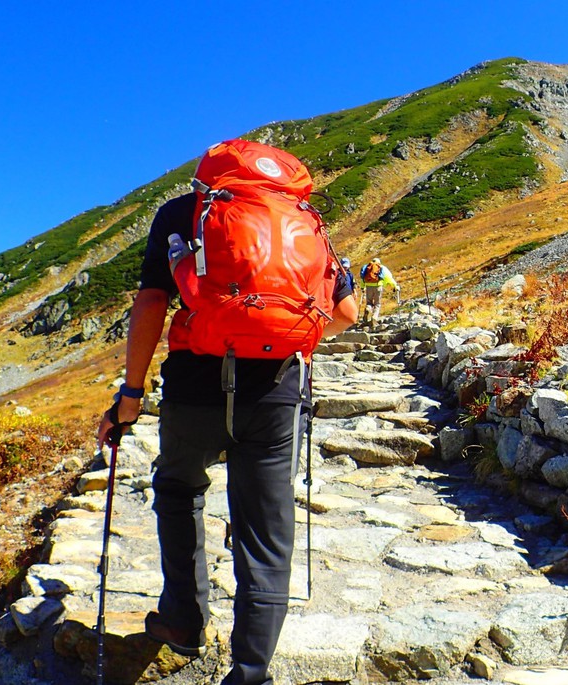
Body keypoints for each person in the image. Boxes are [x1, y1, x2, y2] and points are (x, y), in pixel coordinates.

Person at [97, 185, 358, 684]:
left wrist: (130, 396)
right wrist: (277, 336)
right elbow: (347, 313)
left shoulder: (183, 213)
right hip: (277, 393)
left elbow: (152, 299)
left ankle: (183, 621)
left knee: (178, 487)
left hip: (193, 386)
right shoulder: (302, 222)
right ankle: (249, 673)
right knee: (266, 529)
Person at [359, 257, 399, 328]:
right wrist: (395, 286)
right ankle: (374, 318)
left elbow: (362, 278)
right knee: (377, 304)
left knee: (369, 302)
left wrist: (362, 287)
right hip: (378, 287)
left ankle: (368, 308)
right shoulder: (382, 268)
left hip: (368, 286)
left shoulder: (367, 268)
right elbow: (389, 278)